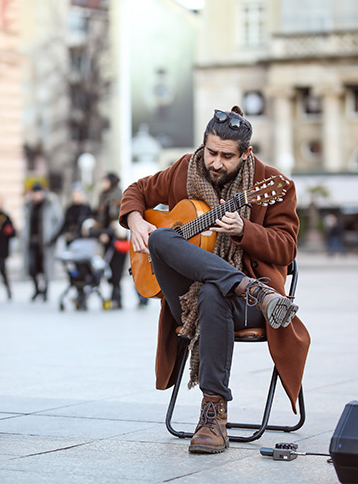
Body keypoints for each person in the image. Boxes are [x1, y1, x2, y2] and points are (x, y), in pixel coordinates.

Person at [120, 106, 310, 454]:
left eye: (227, 156)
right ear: (202, 146)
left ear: (246, 154)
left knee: (212, 292)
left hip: (250, 309)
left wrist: (245, 230)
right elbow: (136, 190)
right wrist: (135, 220)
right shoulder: (183, 170)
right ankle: (246, 286)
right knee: (162, 239)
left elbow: (286, 249)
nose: (216, 163)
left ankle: (213, 415)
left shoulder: (273, 185)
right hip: (192, 300)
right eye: (211, 153)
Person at [22, 182, 63, 302]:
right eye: (34, 193)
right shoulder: (29, 206)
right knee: (32, 267)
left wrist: (53, 237)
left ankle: (45, 291)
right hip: (32, 241)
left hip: (46, 242)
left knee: (46, 268)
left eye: (38, 193)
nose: (36, 196)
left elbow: (59, 221)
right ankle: (36, 289)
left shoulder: (50, 204)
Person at [95, 173, 128, 309]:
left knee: (117, 268)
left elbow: (118, 216)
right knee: (107, 267)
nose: (103, 183)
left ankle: (117, 298)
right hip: (107, 236)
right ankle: (114, 296)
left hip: (118, 237)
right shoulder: (103, 196)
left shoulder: (118, 196)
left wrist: (112, 230)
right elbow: (100, 216)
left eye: (105, 180)